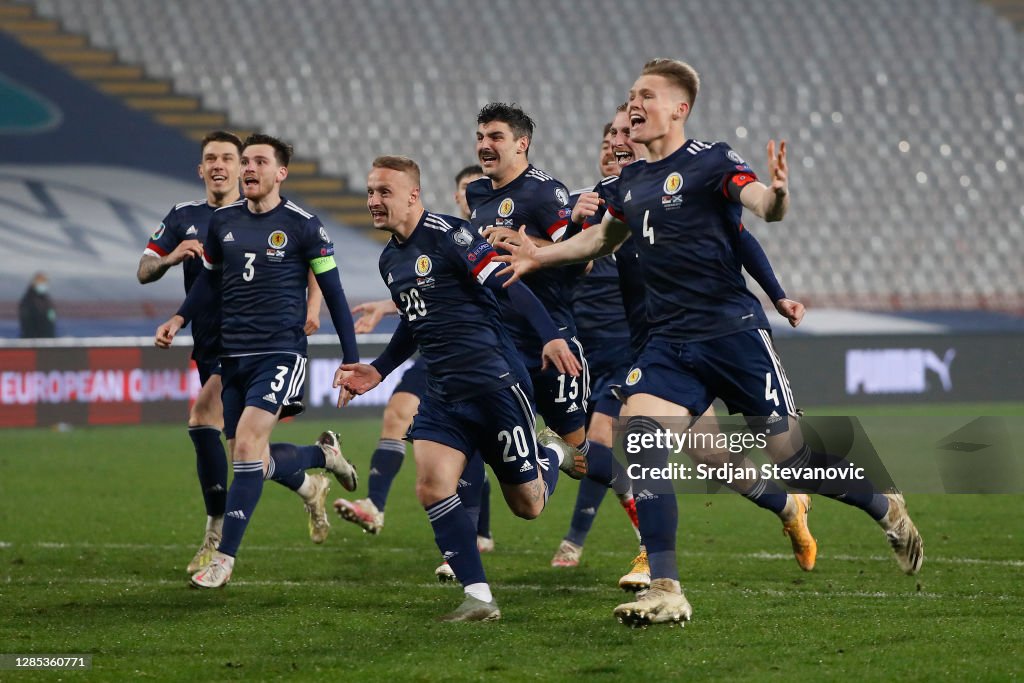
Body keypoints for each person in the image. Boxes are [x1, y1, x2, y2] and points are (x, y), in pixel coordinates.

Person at [495, 59, 923, 627]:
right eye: (630, 96)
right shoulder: (630, 182)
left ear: (679, 107)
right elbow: (602, 238)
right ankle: (666, 588)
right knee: (642, 438)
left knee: (791, 459)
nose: (633, 105)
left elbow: (761, 207)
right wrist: (538, 254)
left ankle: (884, 505)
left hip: (733, 337)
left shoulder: (712, 161)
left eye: (646, 95)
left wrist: (780, 197)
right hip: (669, 344)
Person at [337, 155, 586, 621]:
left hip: (495, 383)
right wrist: (380, 369)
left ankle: (552, 453)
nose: (373, 201)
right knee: (432, 486)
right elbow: (415, 321)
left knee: (528, 506)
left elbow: (510, 283)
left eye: (383, 192)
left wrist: (549, 334)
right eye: (370, 192)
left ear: (412, 195)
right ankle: (478, 597)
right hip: (443, 392)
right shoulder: (390, 258)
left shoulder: (452, 235)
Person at [155, 133, 361, 588]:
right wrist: (179, 316)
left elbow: (335, 294)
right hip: (232, 355)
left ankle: (223, 558)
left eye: (258, 162)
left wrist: (351, 361)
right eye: (245, 162)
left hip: (281, 352)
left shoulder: (305, 225)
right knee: (252, 460)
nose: (248, 169)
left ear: (280, 173)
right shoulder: (222, 221)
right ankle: (320, 459)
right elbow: (207, 282)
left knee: (246, 447)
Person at [335, 165, 497, 560]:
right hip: (433, 352)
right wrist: (387, 317)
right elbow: (425, 293)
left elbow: (495, 289)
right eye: (461, 189)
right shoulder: (410, 247)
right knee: (397, 416)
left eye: (471, 189)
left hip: (483, 355)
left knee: (524, 486)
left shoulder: (472, 234)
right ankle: (377, 506)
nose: (465, 195)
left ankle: (480, 529)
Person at [470, 103, 629, 504]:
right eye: (480, 137)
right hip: (499, 346)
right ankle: (462, 550)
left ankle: (638, 505)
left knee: (581, 456)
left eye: (495, 137)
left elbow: (582, 261)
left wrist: (528, 246)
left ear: (522, 144)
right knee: (471, 435)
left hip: (547, 343)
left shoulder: (544, 191)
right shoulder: (477, 193)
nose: (484, 145)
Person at [18, 272, 56, 338]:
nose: (43, 285)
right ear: (34, 283)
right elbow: (26, 322)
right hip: (33, 339)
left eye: (44, 283)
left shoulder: (46, 299)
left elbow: (51, 316)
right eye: (40, 282)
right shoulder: (28, 300)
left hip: (48, 337)